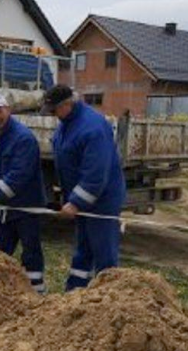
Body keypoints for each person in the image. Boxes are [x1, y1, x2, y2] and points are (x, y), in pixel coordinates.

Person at [42, 84, 126, 291]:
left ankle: (108, 297)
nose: (53, 115)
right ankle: (76, 292)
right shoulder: (67, 123)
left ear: (68, 104)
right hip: (85, 201)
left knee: (104, 252)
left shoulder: (93, 127)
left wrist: (76, 203)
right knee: (83, 248)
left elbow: (95, 173)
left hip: (101, 202)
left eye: (54, 111)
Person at [0, 93, 47, 293]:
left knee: (30, 251)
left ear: (8, 110)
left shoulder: (23, 138)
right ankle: (1, 291)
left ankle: (36, 292)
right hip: (5, 208)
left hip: (26, 206)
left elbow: (20, 174)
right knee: (0, 250)